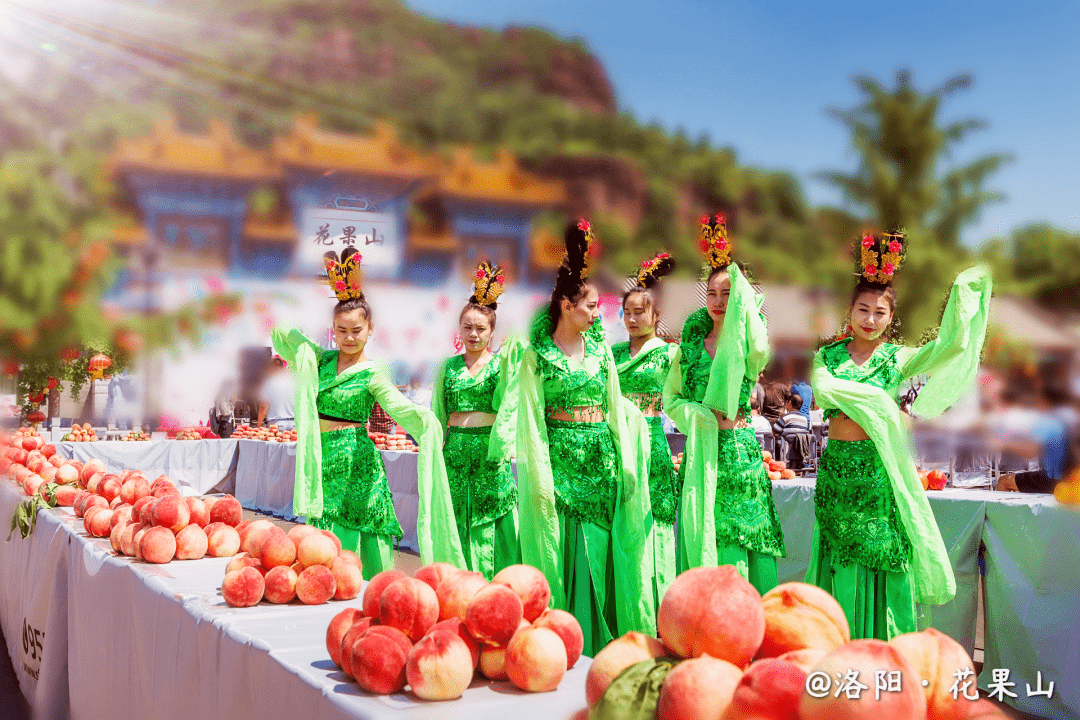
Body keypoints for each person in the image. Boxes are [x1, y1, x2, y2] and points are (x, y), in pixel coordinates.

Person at [807, 231, 991, 640]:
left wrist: (962, 295)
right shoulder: (827, 357)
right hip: (837, 471)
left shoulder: (897, 359)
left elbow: (949, 347)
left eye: (880, 313)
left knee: (881, 553)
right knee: (838, 553)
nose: (870, 320)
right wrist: (885, 406)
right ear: (849, 310)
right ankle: (837, 641)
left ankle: (882, 643)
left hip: (879, 472)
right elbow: (825, 390)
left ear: (892, 318)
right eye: (863, 309)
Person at [272, 247, 464, 578]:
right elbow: (282, 332)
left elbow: (398, 406)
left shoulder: (374, 372)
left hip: (356, 462)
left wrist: (425, 422)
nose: (348, 337)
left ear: (370, 329)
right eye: (341, 330)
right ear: (332, 328)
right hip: (323, 458)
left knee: (360, 533)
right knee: (323, 539)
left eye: (356, 330)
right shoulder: (320, 360)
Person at [517, 219, 654, 657]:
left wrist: (629, 458)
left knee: (602, 540)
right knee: (571, 544)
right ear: (564, 305)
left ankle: (606, 644)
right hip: (560, 454)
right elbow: (530, 418)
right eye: (590, 306)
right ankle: (569, 640)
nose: (598, 314)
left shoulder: (599, 350)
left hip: (601, 457)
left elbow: (616, 405)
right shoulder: (536, 354)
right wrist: (538, 468)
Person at [663, 214, 785, 593]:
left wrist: (743, 302)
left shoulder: (749, 346)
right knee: (705, 532)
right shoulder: (691, 344)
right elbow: (671, 397)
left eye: (727, 294)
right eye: (712, 294)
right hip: (701, 450)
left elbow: (762, 349)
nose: (718, 302)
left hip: (739, 450)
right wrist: (695, 413)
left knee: (745, 534)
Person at [431, 262, 524, 579]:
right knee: (455, 520)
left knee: (490, 523)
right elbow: (436, 414)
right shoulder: (448, 366)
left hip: (490, 453)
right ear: (459, 329)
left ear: (492, 331)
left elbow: (511, 407)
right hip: (454, 453)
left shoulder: (503, 365)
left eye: (481, 329)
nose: (474, 334)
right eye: (468, 327)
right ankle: (455, 586)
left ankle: (495, 588)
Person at [612, 251, 680, 607]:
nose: (633, 318)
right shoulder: (611, 354)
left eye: (641, 312)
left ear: (657, 315)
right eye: (628, 312)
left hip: (652, 443)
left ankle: (656, 602)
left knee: (654, 520)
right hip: (616, 443)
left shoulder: (670, 355)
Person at [773, 393, 813, 469]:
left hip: (787, 449)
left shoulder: (785, 418)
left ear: (790, 403)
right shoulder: (805, 419)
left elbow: (774, 432)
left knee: (777, 442)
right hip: (801, 449)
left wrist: (779, 435)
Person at [257, 356, 295, 431]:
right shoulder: (292, 382)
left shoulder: (269, 383)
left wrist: (258, 425)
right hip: (293, 422)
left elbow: (264, 405)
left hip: (276, 423)